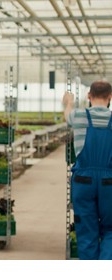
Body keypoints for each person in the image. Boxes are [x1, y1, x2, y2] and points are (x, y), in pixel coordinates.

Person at [63, 80, 112, 260]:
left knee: (86, 230)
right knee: (110, 230)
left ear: (89, 96)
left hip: (83, 182)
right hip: (110, 182)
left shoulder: (78, 116)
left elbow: (66, 115)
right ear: (110, 97)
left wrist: (69, 102)